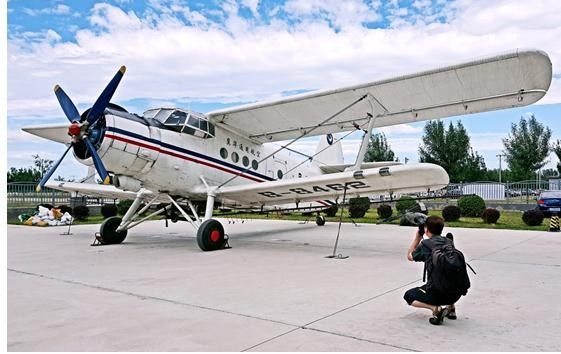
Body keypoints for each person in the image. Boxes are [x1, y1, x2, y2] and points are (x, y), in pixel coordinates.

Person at [404, 215, 458, 325]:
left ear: (426, 230)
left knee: (408, 296)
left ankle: (435, 308)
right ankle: (451, 308)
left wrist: (418, 237)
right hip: (456, 293)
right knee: (448, 278)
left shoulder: (426, 245)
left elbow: (410, 256)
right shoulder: (449, 242)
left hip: (437, 294)